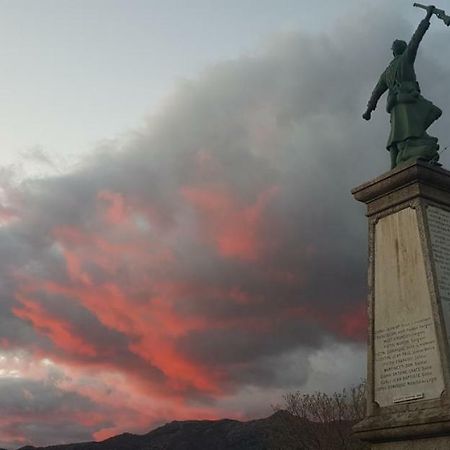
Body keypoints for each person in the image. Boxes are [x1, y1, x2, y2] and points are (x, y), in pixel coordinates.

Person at [363, 5, 442, 169]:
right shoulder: (406, 59)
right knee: (423, 120)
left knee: (401, 133)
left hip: (396, 105)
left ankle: (405, 155)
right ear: (404, 49)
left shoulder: (386, 72)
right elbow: (416, 39)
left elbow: (376, 93)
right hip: (409, 100)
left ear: (393, 52)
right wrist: (427, 17)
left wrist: (369, 110)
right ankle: (409, 153)